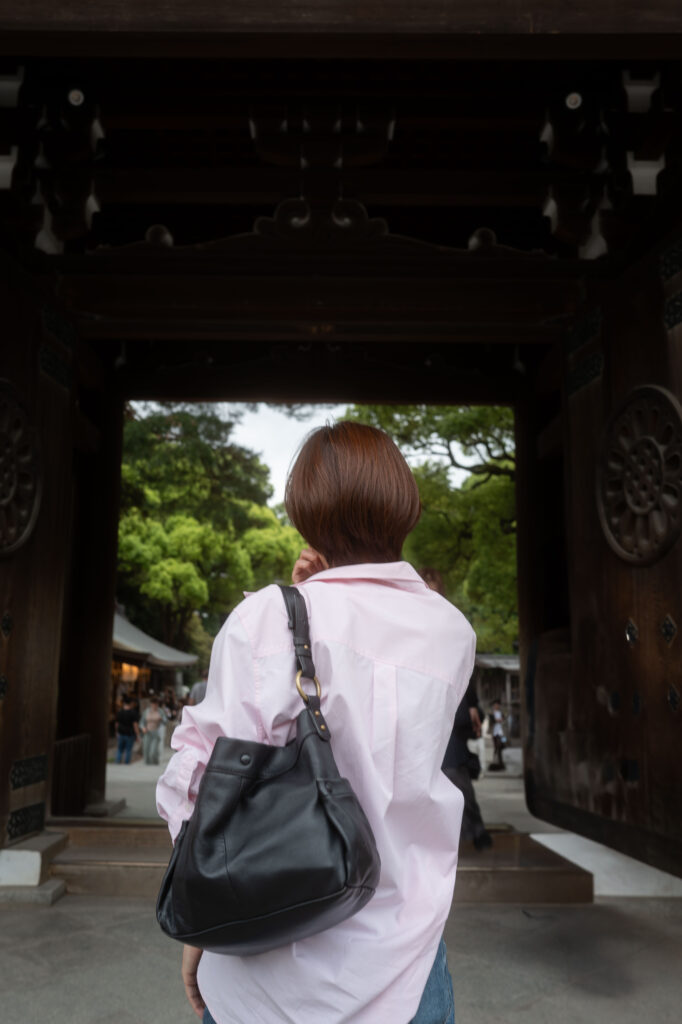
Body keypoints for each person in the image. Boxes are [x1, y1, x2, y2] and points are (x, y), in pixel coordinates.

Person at [157, 421, 476, 1024]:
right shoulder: (451, 633)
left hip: (264, 971)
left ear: (303, 507)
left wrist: (200, 926)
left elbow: (199, 783)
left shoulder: (263, 620)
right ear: (401, 502)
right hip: (406, 972)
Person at [140, 697, 167, 765]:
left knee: (153, 751)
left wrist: (161, 719)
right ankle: (147, 764)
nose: (154, 705)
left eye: (156, 704)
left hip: (156, 732)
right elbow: (142, 722)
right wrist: (143, 728)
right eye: (153, 704)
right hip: (147, 732)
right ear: (151, 704)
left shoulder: (160, 711)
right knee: (146, 749)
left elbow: (165, 721)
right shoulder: (146, 711)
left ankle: (155, 763)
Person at [114, 694, 139, 764]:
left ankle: (117, 762)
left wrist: (116, 732)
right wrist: (137, 734)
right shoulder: (133, 713)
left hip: (121, 732)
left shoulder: (119, 712)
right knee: (128, 750)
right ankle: (126, 764)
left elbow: (116, 724)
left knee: (119, 749)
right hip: (129, 734)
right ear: (130, 704)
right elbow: (135, 725)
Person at [490, 698, 507, 770]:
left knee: (501, 746)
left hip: (501, 733)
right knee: (497, 747)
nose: (496, 706)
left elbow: (503, 720)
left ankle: (500, 762)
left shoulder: (501, 713)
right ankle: (497, 762)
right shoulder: (492, 714)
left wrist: (500, 720)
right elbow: (493, 720)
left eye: (497, 705)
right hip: (495, 733)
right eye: (495, 705)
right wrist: (498, 720)